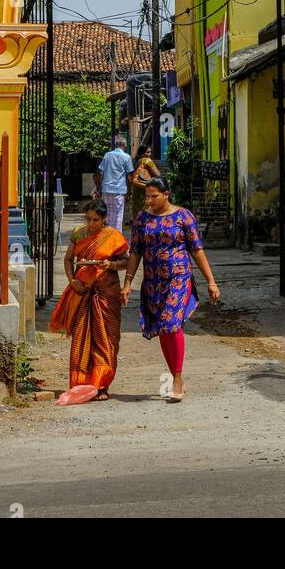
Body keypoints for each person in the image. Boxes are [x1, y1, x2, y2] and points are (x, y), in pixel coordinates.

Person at [121, 178, 220, 403]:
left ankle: (177, 378)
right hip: (153, 281)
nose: (149, 200)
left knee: (171, 324)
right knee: (163, 328)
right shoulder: (142, 219)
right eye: (147, 196)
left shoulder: (184, 217)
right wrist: (127, 283)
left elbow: (197, 250)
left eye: (153, 196)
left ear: (167, 194)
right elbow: (135, 252)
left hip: (179, 278)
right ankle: (174, 371)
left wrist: (211, 281)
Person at [49, 199, 128, 401]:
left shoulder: (113, 236)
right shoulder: (78, 233)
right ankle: (81, 383)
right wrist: (71, 280)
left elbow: (126, 261)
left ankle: (101, 385)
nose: (91, 224)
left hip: (106, 293)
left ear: (104, 219)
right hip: (82, 291)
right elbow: (68, 259)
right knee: (81, 339)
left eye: (96, 220)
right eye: (89, 219)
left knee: (106, 339)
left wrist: (110, 264)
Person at [95, 134, 134, 232]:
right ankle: (116, 240)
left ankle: (107, 237)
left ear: (116, 145)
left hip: (106, 189)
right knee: (117, 217)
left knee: (107, 216)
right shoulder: (127, 157)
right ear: (124, 145)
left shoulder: (107, 155)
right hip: (119, 191)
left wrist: (99, 189)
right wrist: (129, 192)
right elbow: (129, 177)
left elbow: (100, 173)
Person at [128, 142, 161, 218]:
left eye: (150, 152)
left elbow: (130, 178)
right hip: (145, 190)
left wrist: (129, 191)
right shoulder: (147, 160)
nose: (150, 154)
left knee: (137, 215)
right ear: (143, 153)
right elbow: (158, 174)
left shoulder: (135, 162)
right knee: (147, 215)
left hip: (136, 191)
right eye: (148, 152)